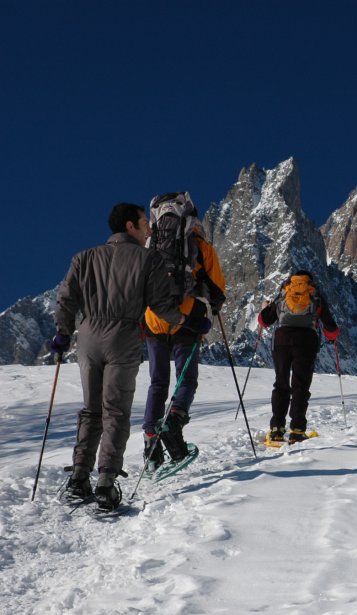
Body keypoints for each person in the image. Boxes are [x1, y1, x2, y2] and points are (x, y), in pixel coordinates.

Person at [51, 203, 184, 509]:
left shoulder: (83, 258)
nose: (150, 229)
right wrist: (185, 320)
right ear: (129, 226)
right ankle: (106, 484)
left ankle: (79, 478)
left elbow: (66, 298)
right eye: (144, 223)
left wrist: (62, 332)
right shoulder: (148, 258)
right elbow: (161, 304)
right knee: (116, 411)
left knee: (91, 409)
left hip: (87, 337)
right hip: (123, 336)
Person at [141, 192, 226, 472]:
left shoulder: (148, 244)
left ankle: (151, 444)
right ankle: (174, 423)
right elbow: (217, 290)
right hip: (187, 321)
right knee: (186, 380)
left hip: (155, 322)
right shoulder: (201, 246)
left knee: (157, 383)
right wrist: (213, 305)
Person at [257, 270, 339, 444]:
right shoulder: (315, 295)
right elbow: (330, 327)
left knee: (281, 383)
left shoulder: (284, 293)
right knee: (300, 385)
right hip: (306, 341)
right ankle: (297, 431)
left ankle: (277, 430)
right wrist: (333, 336)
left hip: (282, 339)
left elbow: (264, 321)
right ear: (310, 280)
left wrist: (264, 308)